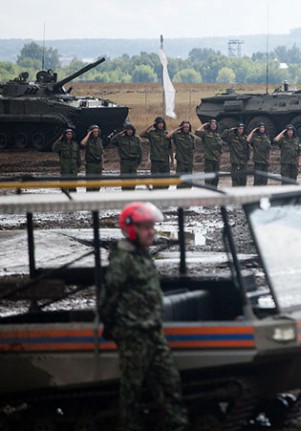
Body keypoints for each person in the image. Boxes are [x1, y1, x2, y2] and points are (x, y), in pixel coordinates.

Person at [101, 202, 188, 431]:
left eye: (152, 227)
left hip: (152, 331)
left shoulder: (141, 255)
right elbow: (109, 297)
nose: (152, 232)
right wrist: (112, 328)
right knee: (132, 390)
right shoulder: (123, 259)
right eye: (145, 227)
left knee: (170, 382)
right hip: (133, 334)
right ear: (131, 229)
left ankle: (176, 424)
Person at [141, 117, 173, 189]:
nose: (161, 125)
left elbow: (170, 148)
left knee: (166, 182)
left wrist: (172, 160)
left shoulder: (166, 134)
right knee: (156, 181)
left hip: (165, 160)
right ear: (156, 124)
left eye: (162, 123)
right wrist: (151, 125)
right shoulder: (152, 133)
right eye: (159, 123)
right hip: (156, 161)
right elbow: (142, 134)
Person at [110, 124, 142, 191]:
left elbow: (140, 151)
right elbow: (112, 141)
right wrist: (120, 133)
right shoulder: (121, 139)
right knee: (124, 180)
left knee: (133, 180)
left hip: (134, 161)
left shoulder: (136, 139)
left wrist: (138, 162)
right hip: (125, 162)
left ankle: (131, 193)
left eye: (131, 130)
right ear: (125, 131)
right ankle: (125, 193)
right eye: (128, 130)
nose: (130, 131)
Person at [168, 120, 195, 189]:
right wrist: (178, 128)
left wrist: (193, 161)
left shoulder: (191, 137)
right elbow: (168, 136)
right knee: (180, 181)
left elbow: (193, 150)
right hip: (181, 161)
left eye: (187, 127)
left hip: (189, 162)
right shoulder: (177, 135)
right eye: (184, 127)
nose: (186, 128)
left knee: (189, 182)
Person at [52, 128, 81, 192]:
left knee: (73, 184)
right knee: (64, 184)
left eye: (70, 134)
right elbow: (54, 148)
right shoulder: (61, 144)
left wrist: (79, 166)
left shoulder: (75, 144)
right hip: (65, 167)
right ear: (65, 135)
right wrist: (60, 139)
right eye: (68, 134)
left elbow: (78, 155)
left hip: (74, 167)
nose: (69, 135)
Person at [80, 125, 103, 192]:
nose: (96, 133)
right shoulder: (88, 140)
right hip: (90, 164)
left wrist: (102, 165)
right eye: (94, 131)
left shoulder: (100, 140)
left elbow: (102, 153)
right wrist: (88, 134)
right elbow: (82, 144)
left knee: (98, 183)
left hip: (98, 164)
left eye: (97, 131)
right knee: (90, 182)